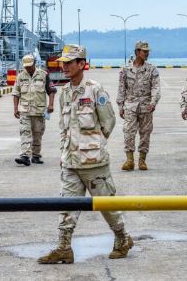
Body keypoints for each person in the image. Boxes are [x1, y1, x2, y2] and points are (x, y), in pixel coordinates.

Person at [38, 44, 133, 264]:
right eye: (63, 63)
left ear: (82, 64)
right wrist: (65, 153)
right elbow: (64, 127)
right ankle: (63, 248)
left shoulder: (95, 90)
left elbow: (108, 121)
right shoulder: (65, 92)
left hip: (94, 163)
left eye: (69, 62)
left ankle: (122, 239)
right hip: (71, 162)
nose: (64, 66)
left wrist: (94, 145)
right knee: (66, 206)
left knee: (106, 205)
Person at [116, 40, 160, 171]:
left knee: (145, 133)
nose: (146, 53)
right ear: (137, 52)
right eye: (144, 51)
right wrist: (120, 106)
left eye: (147, 51)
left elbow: (156, 87)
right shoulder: (126, 69)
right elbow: (121, 88)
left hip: (146, 106)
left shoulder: (152, 69)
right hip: (130, 105)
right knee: (128, 131)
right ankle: (129, 160)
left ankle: (142, 160)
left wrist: (153, 102)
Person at [12, 54, 56, 166]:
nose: (28, 68)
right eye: (26, 66)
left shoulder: (43, 75)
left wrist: (51, 105)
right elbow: (16, 93)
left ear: (34, 63)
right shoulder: (20, 76)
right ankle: (25, 156)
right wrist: (15, 108)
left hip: (39, 111)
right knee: (25, 132)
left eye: (30, 66)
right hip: (24, 111)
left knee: (38, 133)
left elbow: (51, 90)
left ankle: (36, 155)